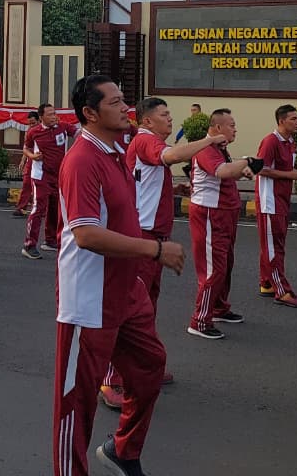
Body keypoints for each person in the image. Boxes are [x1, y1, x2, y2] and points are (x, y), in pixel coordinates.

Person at [52, 75, 185, 476]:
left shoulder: (114, 152)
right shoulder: (82, 159)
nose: (125, 108)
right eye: (115, 102)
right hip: (90, 299)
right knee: (77, 402)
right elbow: (87, 233)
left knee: (150, 365)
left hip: (127, 290)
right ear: (90, 113)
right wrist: (155, 250)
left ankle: (123, 451)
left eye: (125, 100)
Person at [100, 96, 224, 409]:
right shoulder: (145, 142)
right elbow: (169, 156)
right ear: (146, 121)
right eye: (164, 115)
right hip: (141, 238)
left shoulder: (146, 145)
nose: (171, 119)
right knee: (130, 311)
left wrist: (173, 189)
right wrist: (208, 140)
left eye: (170, 114)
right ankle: (111, 378)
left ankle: (142, 367)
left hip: (153, 237)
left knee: (147, 308)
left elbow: (143, 184)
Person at [187, 108, 255, 340]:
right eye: (231, 125)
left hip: (224, 213)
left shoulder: (219, 149)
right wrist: (247, 162)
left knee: (225, 264)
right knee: (213, 268)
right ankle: (200, 320)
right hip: (210, 213)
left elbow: (226, 174)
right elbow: (221, 172)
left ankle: (218, 308)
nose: (235, 129)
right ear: (217, 128)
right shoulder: (207, 147)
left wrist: (242, 169)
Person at [255, 104, 297, 307]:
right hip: (269, 202)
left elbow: (289, 170)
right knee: (274, 247)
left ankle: (267, 283)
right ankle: (282, 291)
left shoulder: (290, 142)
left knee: (274, 245)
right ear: (281, 121)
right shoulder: (270, 141)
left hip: (282, 200)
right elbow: (261, 170)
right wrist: (291, 175)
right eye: (293, 119)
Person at [22, 103, 76, 259]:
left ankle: (50, 240)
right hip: (40, 175)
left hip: (58, 175)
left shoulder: (63, 127)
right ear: (41, 117)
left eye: (54, 113)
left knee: (55, 208)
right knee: (38, 208)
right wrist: (32, 157)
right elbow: (26, 148)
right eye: (50, 114)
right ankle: (29, 244)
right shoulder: (34, 132)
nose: (54, 117)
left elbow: (79, 133)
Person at [13, 110, 39, 218]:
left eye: (33, 123)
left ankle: (39, 209)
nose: (31, 125)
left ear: (39, 120)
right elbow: (26, 148)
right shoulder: (29, 132)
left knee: (38, 187)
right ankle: (21, 207)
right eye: (30, 123)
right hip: (30, 160)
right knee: (26, 184)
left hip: (40, 161)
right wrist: (23, 161)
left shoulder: (43, 131)